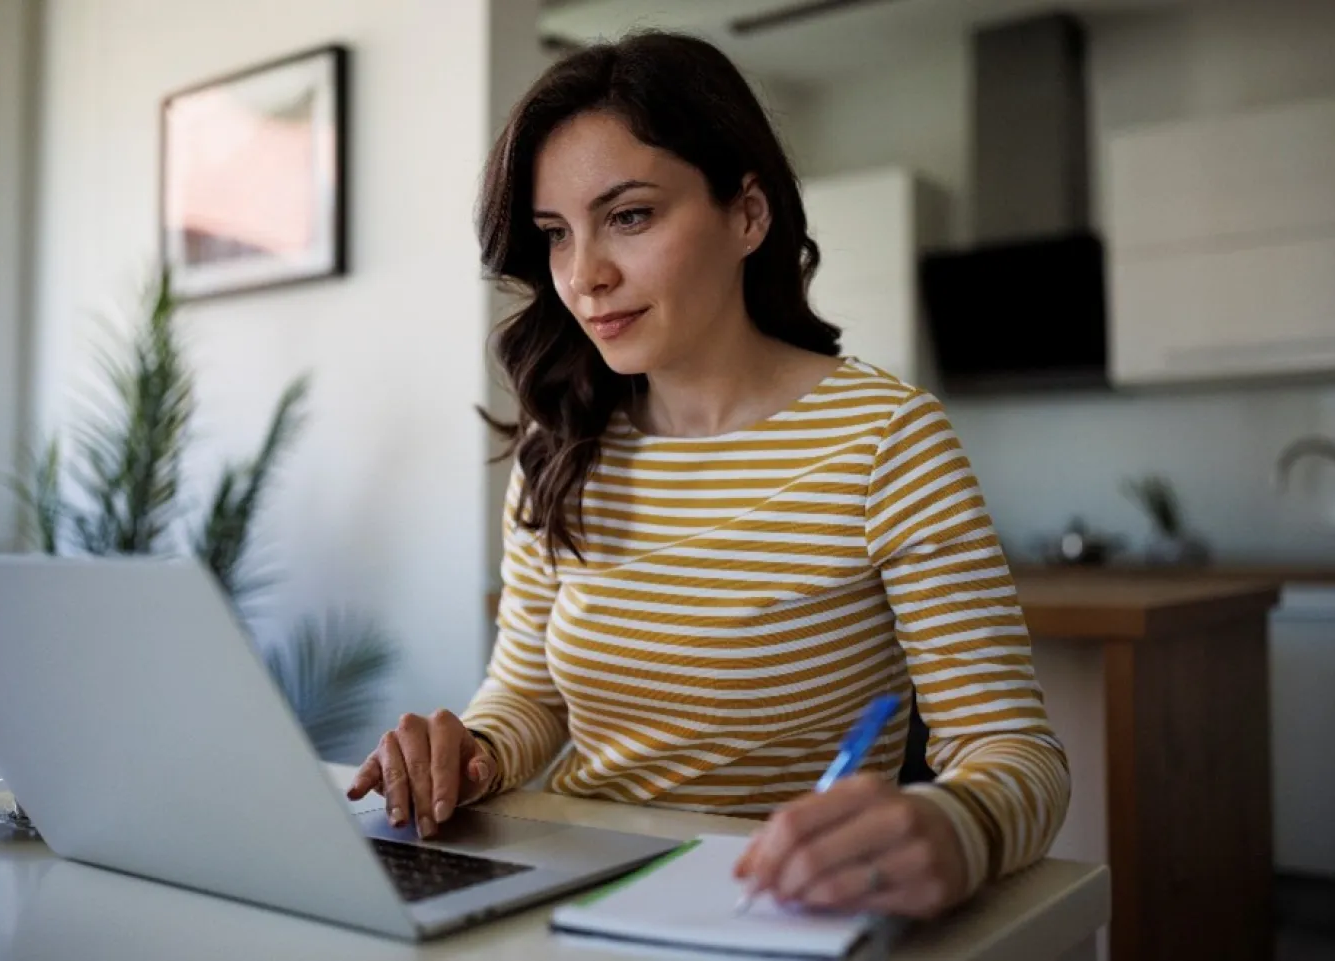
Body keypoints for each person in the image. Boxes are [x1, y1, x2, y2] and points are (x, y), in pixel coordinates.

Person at [347, 30, 1069, 920]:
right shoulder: (562, 444)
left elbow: (1013, 750)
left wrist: (955, 827)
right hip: (571, 892)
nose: (584, 277)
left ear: (748, 215)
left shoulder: (885, 439)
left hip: (775, 910)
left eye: (630, 216)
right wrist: (476, 750)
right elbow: (529, 694)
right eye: (555, 236)